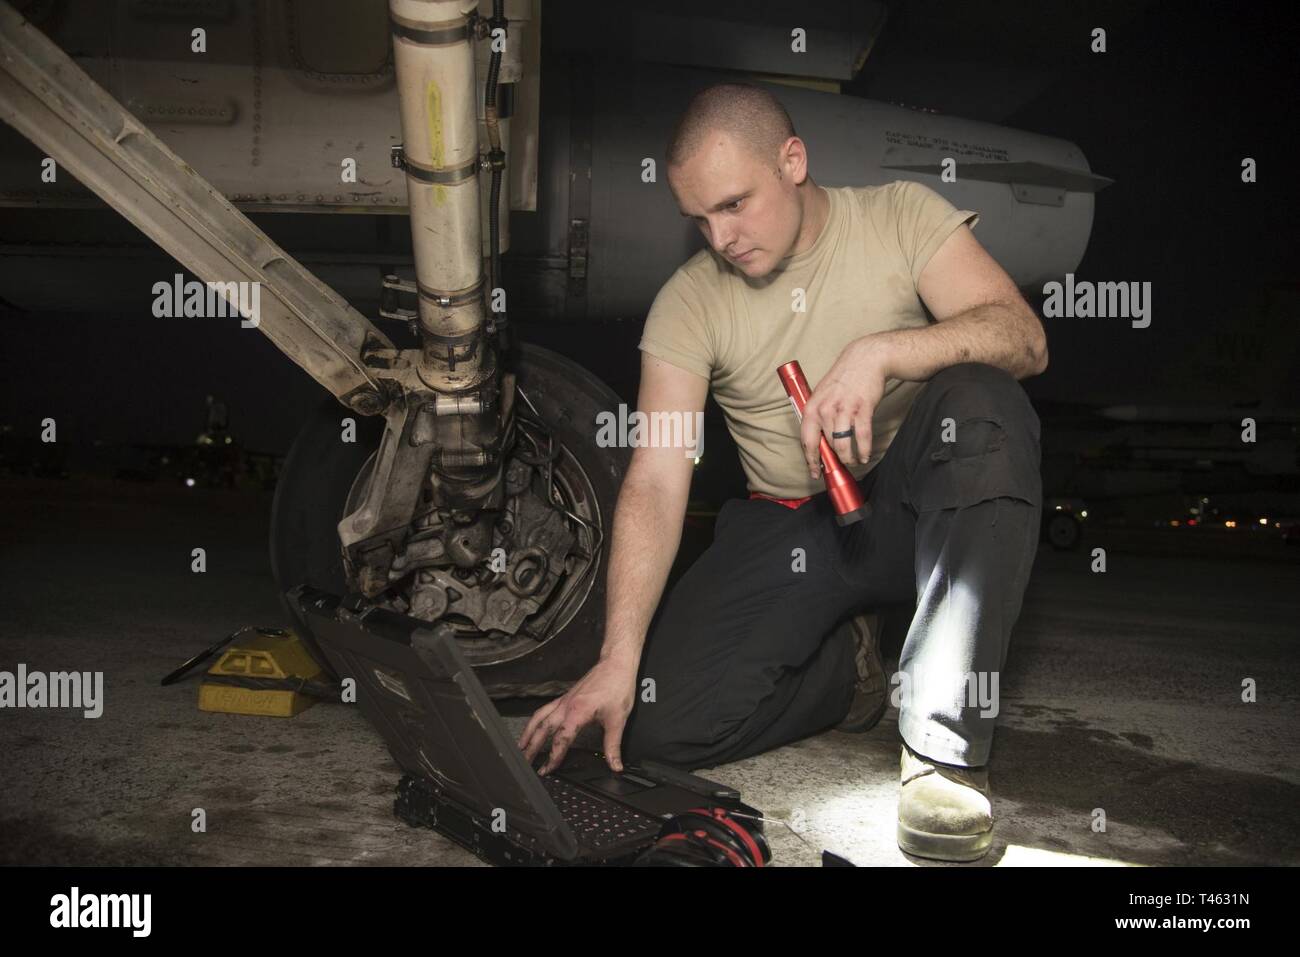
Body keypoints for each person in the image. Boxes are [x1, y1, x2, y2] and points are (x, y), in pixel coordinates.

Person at [518, 82, 1046, 862]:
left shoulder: (901, 216)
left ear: (793, 161)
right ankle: (854, 667)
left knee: (984, 402)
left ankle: (942, 753)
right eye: (698, 218)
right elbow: (659, 477)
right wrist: (616, 660)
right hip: (791, 526)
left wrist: (884, 351)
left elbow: (1022, 337)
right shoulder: (688, 303)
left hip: (913, 514)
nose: (719, 236)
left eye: (734, 204)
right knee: (658, 724)